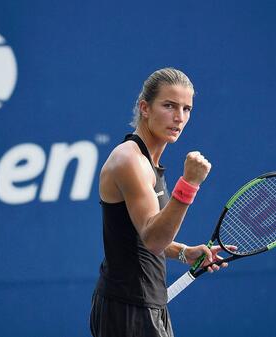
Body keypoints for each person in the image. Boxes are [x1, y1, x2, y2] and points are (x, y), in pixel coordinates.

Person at [90, 67, 229, 337]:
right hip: (129, 308)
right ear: (145, 107)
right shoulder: (129, 161)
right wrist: (189, 185)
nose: (179, 117)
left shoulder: (148, 162)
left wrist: (182, 251)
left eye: (187, 109)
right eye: (169, 106)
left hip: (145, 305)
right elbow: (153, 238)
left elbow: (140, 234)